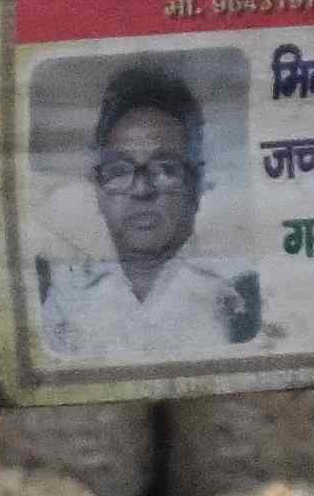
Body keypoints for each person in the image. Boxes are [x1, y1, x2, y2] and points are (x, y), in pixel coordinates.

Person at [28, 59, 262, 358]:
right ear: (98, 187)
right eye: (119, 170)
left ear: (197, 183)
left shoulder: (242, 296)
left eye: (165, 169)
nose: (141, 189)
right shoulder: (64, 299)